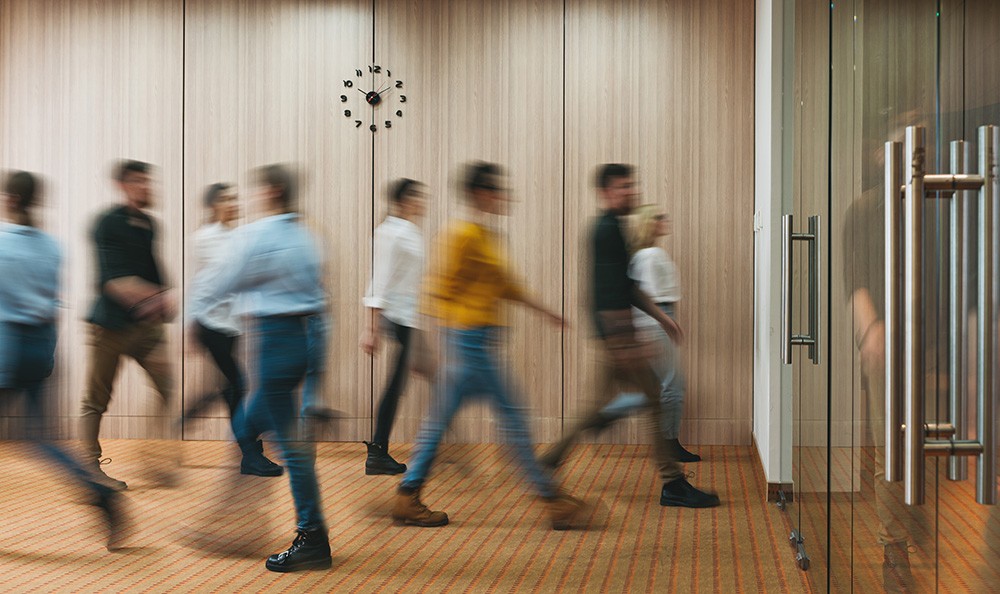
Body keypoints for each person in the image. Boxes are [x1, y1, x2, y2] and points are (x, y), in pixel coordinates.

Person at [392, 162, 584, 530]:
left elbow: (505, 285)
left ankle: (407, 494)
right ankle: (552, 500)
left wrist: (544, 311)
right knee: (513, 418)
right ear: (481, 193)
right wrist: (425, 347)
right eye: (498, 190)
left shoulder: (486, 235)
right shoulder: (460, 234)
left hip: (474, 342)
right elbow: (435, 290)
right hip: (468, 344)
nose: (504, 197)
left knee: (439, 422)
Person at [541, 164, 719, 508]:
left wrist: (662, 319)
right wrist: (625, 341)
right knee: (652, 397)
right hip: (616, 337)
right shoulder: (605, 230)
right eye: (624, 187)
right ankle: (672, 482)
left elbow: (629, 287)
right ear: (606, 192)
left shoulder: (615, 230)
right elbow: (606, 293)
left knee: (602, 405)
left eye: (632, 186)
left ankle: (551, 458)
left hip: (617, 336)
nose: (632, 192)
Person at [191, 164, 330, 572]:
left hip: (274, 347)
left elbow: (222, 282)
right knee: (247, 425)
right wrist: (316, 380)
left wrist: (189, 319)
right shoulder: (307, 237)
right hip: (305, 338)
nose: (247, 199)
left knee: (293, 448)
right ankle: (231, 521)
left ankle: (312, 536)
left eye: (253, 192)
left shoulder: (259, 235)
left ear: (271, 191)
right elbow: (322, 301)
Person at [0, 170, 124, 549]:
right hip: (40, 347)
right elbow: (52, 305)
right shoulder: (52, 247)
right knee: (40, 437)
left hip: (7, 348)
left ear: (11, 199)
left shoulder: (2, 245)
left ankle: (98, 492)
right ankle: (98, 491)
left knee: (32, 437)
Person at [571, 205, 700, 463]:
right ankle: (668, 442)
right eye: (659, 217)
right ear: (648, 224)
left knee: (658, 388)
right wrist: (661, 323)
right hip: (658, 320)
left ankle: (606, 414)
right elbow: (645, 295)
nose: (665, 220)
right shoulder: (650, 255)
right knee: (672, 386)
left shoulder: (647, 253)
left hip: (660, 318)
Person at [80, 160, 176, 491]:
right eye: (138, 182)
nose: (146, 187)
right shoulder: (106, 223)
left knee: (166, 386)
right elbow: (112, 282)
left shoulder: (149, 225)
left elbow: (155, 275)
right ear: (122, 185)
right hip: (110, 326)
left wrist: (162, 303)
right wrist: (157, 296)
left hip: (145, 328)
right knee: (96, 399)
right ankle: (90, 469)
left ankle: (153, 457)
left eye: (148, 181)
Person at [185, 182, 281, 476]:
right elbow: (203, 283)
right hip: (210, 323)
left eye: (235, 198)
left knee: (233, 388)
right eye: (227, 199)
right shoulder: (204, 238)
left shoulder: (241, 237)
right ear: (214, 205)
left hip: (233, 326)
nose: (234, 203)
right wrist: (190, 324)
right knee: (238, 386)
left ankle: (201, 410)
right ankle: (251, 454)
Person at [361, 178, 429, 475]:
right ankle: (378, 452)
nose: (422, 201)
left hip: (410, 318)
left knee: (400, 383)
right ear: (403, 200)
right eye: (417, 196)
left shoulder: (410, 231)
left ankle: (380, 450)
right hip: (399, 318)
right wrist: (371, 328)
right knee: (398, 384)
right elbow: (379, 280)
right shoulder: (389, 232)